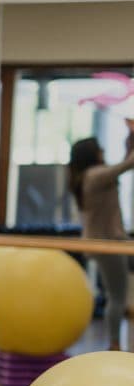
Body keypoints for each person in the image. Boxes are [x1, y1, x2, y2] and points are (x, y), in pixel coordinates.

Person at [69, 120, 134, 351]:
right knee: (117, 297)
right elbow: (127, 165)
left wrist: (129, 142)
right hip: (108, 244)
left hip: (115, 241)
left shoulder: (89, 176)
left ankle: (115, 343)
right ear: (91, 154)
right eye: (100, 148)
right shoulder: (94, 175)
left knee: (115, 295)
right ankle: (114, 345)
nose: (103, 151)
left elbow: (124, 163)